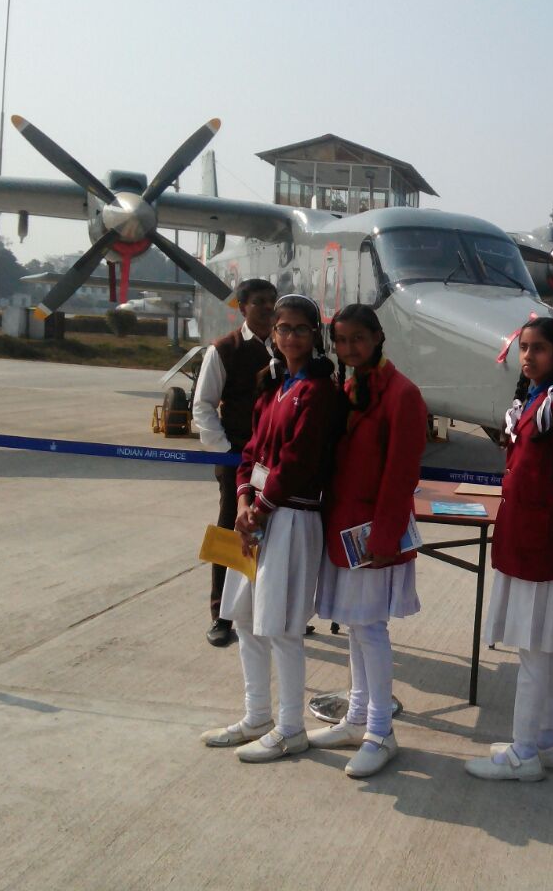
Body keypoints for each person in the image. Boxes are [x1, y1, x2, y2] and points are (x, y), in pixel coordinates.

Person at [199, 294, 337, 762]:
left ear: (314, 334)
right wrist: (243, 500)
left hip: (291, 517)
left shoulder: (318, 391)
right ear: (272, 334)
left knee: (282, 627)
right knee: (244, 620)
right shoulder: (274, 386)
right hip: (255, 518)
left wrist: (258, 509)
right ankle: (257, 715)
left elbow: (298, 461)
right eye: (283, 328)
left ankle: (291, 727)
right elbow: (252, 451)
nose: (291, 336)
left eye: (300, 328)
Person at [464, 317, 553, 782]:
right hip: (523, 540)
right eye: (524, 347)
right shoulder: (534, 403)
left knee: (534, 651)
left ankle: (523, 753)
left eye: (539, 348)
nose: (528, 356)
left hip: (542, 545)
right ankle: (544, 740)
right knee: (541, 649)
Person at [308, 304, 427, 779]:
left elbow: (401, 473)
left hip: (374, 533)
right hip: (344, 527)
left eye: (358, 338)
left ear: (378, 337)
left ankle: (381, 731)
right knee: (356, 629)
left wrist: (384, 535)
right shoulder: (351, 388)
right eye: (341, 340)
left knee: (371, 629)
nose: (349, 348)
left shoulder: (403, 394)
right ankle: (357, 717)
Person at [192, 278, 278, 647]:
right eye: (259, 302)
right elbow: (203, 406)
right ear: (242, 307)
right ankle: (222, 615)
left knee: (276, 534)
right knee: (231, 530)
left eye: (271, 301)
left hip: (278, 461)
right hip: (238, 458)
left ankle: (272, 610)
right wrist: (227, 450)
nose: (267, 308)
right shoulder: (224, 350)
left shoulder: (287, 347)